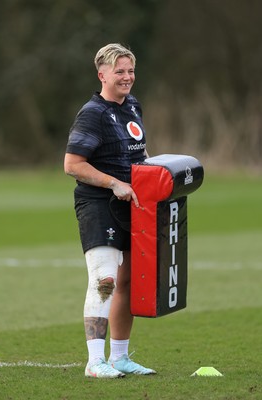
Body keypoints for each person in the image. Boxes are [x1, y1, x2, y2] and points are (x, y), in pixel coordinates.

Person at [64, 43, 156, 378]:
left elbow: (138, 154)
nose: (127, 77)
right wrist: (113, 183)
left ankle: (119, 358)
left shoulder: (132, 106)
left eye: (130, 71)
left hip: (131, 204)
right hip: (99, 203)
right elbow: (72, 164)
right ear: (101, 74)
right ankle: (94, 362)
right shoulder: (93, 113)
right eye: (120, 71)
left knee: (128, 281)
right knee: (105, 280)